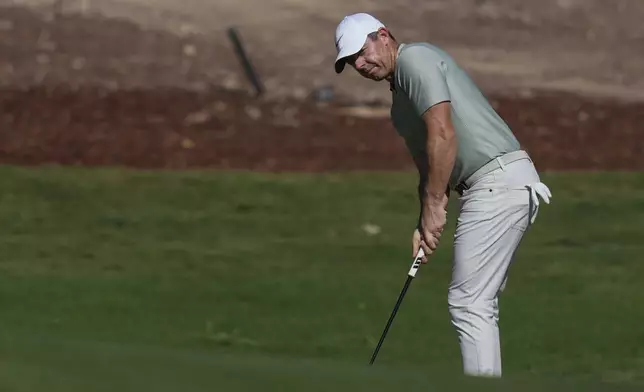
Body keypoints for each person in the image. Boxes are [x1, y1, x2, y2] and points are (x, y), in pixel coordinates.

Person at [333, 12, 552, 377]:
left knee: (469, 303)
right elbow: (430, 166)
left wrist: (436, 205)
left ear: (383, 35)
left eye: (361, 51)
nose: (359, 63)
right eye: (350, 61)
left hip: (498, 180)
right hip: (490, 187)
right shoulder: (399, 105)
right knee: (477, 302)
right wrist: (426, 221)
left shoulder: (415, 59)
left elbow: (443, 134)